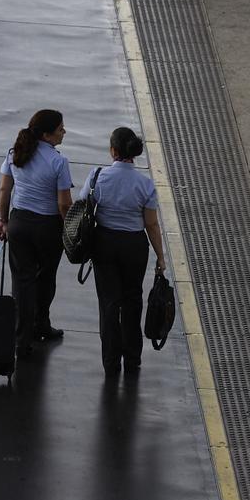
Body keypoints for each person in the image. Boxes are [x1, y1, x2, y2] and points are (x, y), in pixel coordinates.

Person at [83, 127, 166, 375]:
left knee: (108, 303)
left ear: (113, 151)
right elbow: (151, 224)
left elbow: (82, 207)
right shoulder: (145, 184)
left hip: (104, 243)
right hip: (134, 246)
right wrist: (160, 256)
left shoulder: (97, 177)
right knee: (132, 300)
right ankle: (132, 358)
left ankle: (110, 361)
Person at [0, 109, 73, 357]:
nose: (64, 132)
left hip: (19, 223)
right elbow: (64, 204)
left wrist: (3, 221)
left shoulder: (15, 153)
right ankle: (41, 325)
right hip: (48, 227)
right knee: (46, 278)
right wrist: (69, 228)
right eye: (60, 128)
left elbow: (4, 190)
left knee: (22, 282)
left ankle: (21, 339)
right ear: (47, 135)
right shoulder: (58, 162)